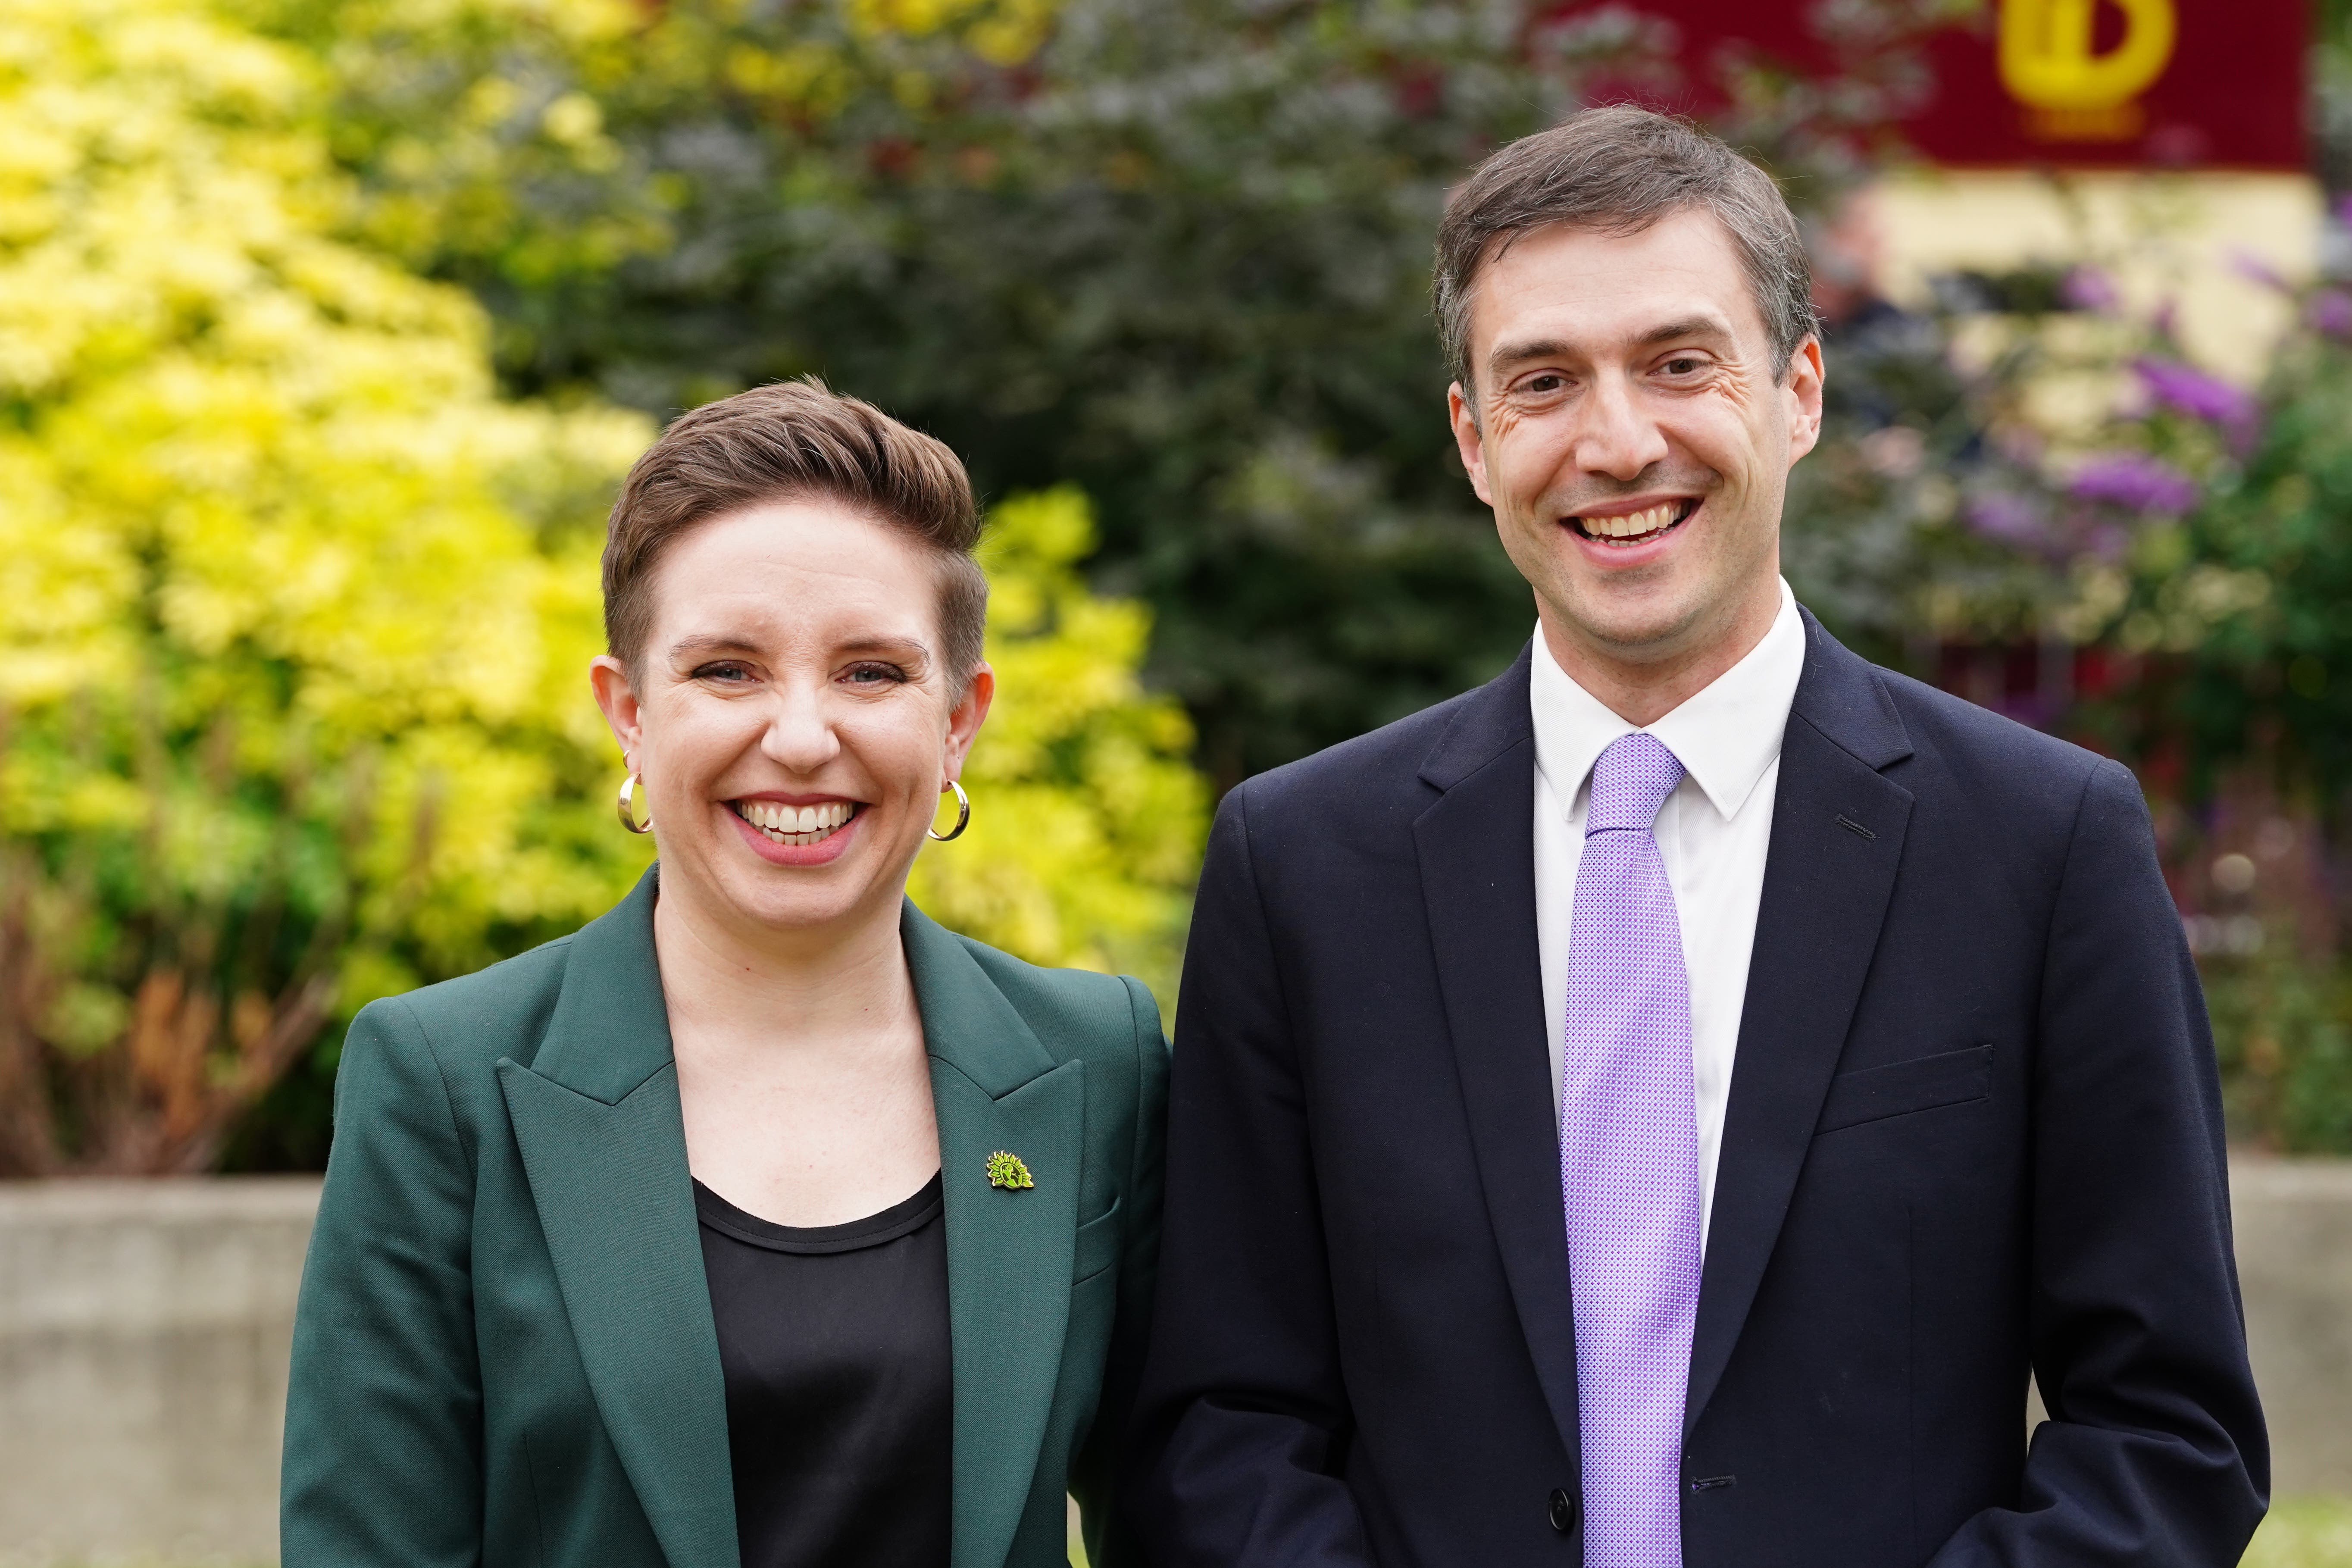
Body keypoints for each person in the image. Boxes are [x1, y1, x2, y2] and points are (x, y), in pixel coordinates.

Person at [1129, 106, 2264, 1567]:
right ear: (1475, 441)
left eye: (1679, 364)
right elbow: (1217, 1425)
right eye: (1543, 382)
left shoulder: (2045, 845)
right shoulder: (1303, 866)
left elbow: (2170, 1434)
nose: (1618, 442)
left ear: (1797, 391)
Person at [281, 381, 1166, 1568]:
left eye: (870, 673)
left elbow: (1181, 1512)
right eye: (729, 671)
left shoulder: (1097, 1060)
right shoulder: (442, 1082)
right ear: (629, 712)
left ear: (960, 719)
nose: (802, 737)